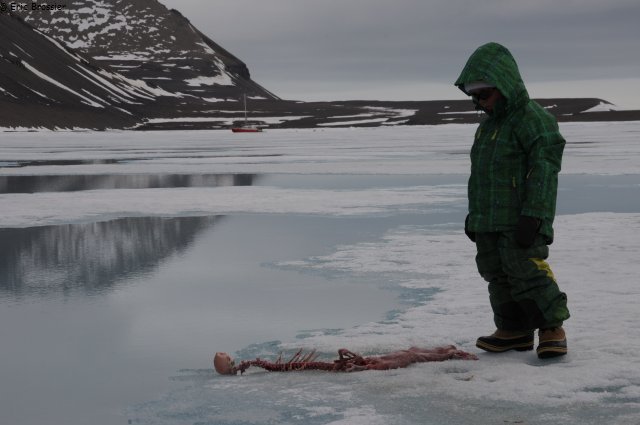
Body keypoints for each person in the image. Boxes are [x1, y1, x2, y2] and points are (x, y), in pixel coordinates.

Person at [454, 42, 570, 359]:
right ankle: (514, 330)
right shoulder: (488, 127)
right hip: (488, 219)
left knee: (526, 269)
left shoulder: (532, 120)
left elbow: (545, 170)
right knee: (495, 272)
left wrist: (535, 215)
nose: (479, 103)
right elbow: (482, 176)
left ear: (504, 86)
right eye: (473, 97)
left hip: (521, 217)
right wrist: (474, 218)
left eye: (484, 95)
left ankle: (551, 327)